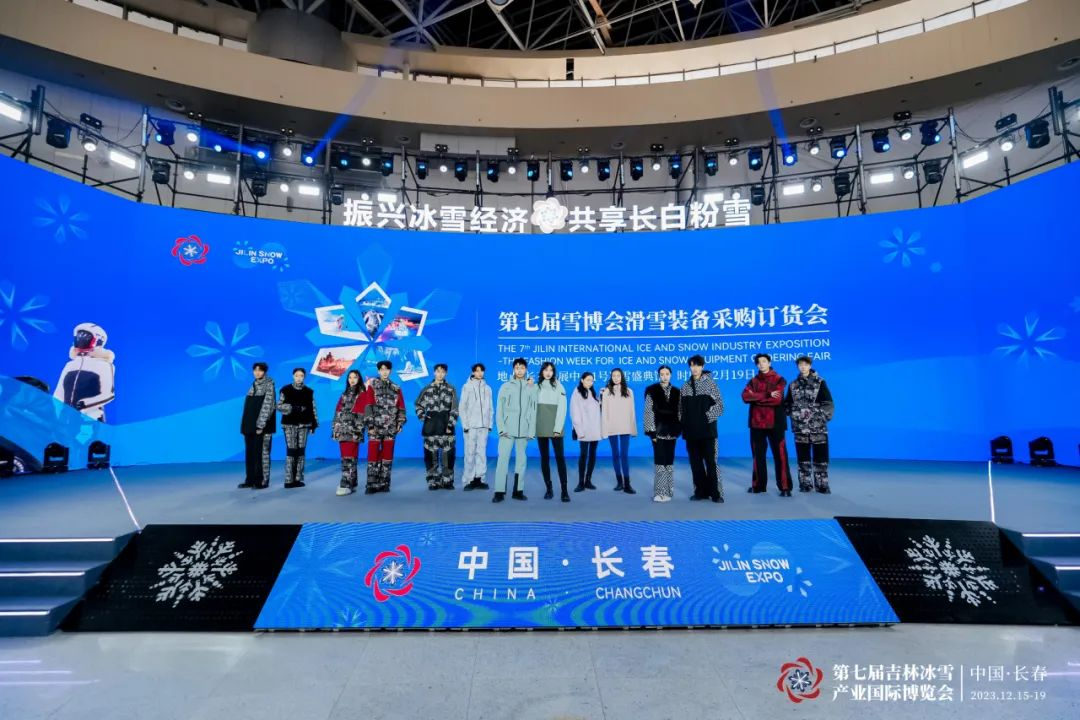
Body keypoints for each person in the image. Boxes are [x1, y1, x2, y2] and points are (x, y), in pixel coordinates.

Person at [741, 353, 793, 497]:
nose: (761, 364)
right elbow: (745, 397)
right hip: (756, 423)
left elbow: (776, 400)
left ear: (769, 363)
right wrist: (767, 395)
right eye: (758, 362)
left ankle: (785, 487)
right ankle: (759, 486)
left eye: (764, 361)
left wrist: (756, 397)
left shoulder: (779, 379)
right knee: (757, 455)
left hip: (775, 422)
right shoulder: (752, 381)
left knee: (780, 455)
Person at [785, 356, 835, 494]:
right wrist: (795, 415)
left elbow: (828, 404)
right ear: (797, 366)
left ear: (810, 366)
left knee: (821, 457)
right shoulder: (793, 385)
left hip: (818, 427)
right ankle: (805, 484)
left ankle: (822, 485)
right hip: (800, 428)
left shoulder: (820, 382)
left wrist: (818, 419)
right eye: (800, 365)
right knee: (803, 458)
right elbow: (787, 404)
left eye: (805, 364)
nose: (803, 367)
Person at [679, 355, 724, 503]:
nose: (695, 368)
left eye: (697, 365)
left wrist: (705, 419)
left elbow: (720, 406)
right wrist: (684, 424)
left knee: (711, 462)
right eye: (692, 365)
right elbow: (680, 410)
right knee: (695, 463)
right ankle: (700, 492)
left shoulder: (711, 384)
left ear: (702, 367)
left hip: (707, 431)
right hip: (691, 432)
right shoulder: (685, 387)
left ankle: (715, 493)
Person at [493, 357, 537, 503]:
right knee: (502, 460)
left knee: (521, 461)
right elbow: (499, 409)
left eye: (522, 368)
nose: (519, 371)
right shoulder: (505, 387)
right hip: (507, 430)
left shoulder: (531, 387)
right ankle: (499, 491)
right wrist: (501, 428)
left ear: (526, 370)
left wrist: (531, 430)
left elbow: (533, 409)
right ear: (513, 369)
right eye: (517, 368)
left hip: (523, 431)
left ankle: (518, 491)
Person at [359, 360, 407, 494]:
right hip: (375, 427)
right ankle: (371, 484)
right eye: (382, 369)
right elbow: (368, 406)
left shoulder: (396, 388)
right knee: (373, 455)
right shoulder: (372, 386)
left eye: (387, 369)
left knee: (387, 455)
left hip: (390, 428)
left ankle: (384, 483)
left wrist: (400, 423)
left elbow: (401, 407)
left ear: (390, 371)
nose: (384, 372)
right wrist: (370, 425)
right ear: (378, 371)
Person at [415, 363, 459, 490]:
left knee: (448, 456)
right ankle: (433, 481)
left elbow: (455, 409)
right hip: (431, 428)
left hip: (446, 427)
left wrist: (451, 424)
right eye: (438, 371)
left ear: (446, 373)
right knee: (430, 456)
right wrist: (424, 418)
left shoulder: (451, 389)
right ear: (434, 372)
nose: (440, 374)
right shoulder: (427, 389)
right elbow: (418, 405)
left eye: (443, 372)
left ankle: (447, 481)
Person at [644, 365, 682, 503]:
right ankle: (660, 492)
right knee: (660, 461)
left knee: (669, 462)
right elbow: (648, 412)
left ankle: (669, 491)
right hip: (658, 431)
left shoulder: (677, 392)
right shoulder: (652, 390)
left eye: (667, 374)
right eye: (662, 374)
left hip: (672, 431)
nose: (664, 376)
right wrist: (651, 432)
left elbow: (680, 412)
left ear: (671, 375)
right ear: (659, 375)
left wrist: (679, 429)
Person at [278, 367, 318, 489]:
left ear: (304, 377)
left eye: (301, 376)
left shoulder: (309, 391)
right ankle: (288, 480)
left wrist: (314, 424)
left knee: (301, 452)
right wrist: (294, 408)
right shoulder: (285, 389)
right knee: (291, 451)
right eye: (297, 375)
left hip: (304, 425)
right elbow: (279, 406)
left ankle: (297, 479)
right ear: (293, 376)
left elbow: (313, 408)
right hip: (289, 424)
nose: (299, 378)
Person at [535, 362, 570, 502]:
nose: (548, 372)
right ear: (542, 372)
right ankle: (549, 489)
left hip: (556, 428)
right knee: (544, 458)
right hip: (541, 427)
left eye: (551, 370)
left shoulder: (559, 386)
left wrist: (557, 428)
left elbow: (562, 409)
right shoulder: (536, 387)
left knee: (560, 458)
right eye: (545, 370)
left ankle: (564, 491)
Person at [239, 361, 276, 489]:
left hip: (262, 427)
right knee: (250, 453)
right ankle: (250, 480)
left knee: (262, 454)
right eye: (255, 370)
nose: (257, 372)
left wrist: (261, 425)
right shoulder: (253, 384)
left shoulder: (269, 384)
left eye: (260, 370)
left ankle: (262, 481)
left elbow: (268, 406)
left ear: (265, 371)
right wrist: (245, 427)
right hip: (249, 426)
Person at [600, 367, 637, 494]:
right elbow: (604, 412)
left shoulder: (629, 391)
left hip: (625, 427)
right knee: (615, 454)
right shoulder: (606, 392)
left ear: (622, 377)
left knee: (624, 455)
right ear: (611, 377)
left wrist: (633, 430)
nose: (616, 378)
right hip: (612, 427)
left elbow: (632, 412)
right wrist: (604, 430)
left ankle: (627, 484)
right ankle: (619, 482)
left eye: (618, 376)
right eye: (614, 376)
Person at [459, 362, 494, 491]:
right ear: (473, 372)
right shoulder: (467, 387)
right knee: (470, 453)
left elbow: (491, 408)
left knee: (482, 453)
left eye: (481, 371)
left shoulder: (488, 388)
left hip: (483, 427)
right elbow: (462, 407)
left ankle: (480, 478)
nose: (479, 373)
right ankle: (469, 480)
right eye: (477, 370)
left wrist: (490, 424)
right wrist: (465, 425)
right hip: (471, 427)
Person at [332, 369, 365, 496]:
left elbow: (362, 413)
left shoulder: (362, 394)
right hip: (342, 430)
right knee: (346, 457)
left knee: (349, 457)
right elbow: (337, 412)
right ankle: (352, 483)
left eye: (355, 377)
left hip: (353, 431)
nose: (352, 380)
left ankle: (346, 484)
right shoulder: (344, 394)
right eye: (350, 377)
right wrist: (335, 428)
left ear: (359, 379)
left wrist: (357, 429)